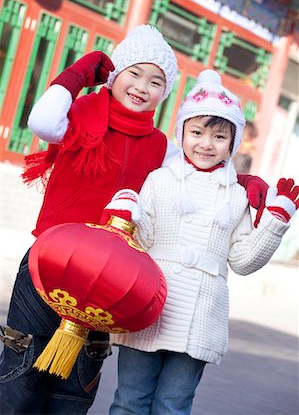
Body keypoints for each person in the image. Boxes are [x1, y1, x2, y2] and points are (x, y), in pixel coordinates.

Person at [0, 24, 267, 413]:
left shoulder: (160, 146)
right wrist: (76, 75)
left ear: (165, 93)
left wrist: (243, 180)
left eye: (156, 81)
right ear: (114, 74)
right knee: (23, 366)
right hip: (50, 262)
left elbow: (200, 168)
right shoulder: (79, 114)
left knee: (76, 383)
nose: (143, 86)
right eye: (135, 73)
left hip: (109, 276)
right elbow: (42, 123)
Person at [102, 70, 299, 415]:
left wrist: (274, 224)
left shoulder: (237, 196)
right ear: (182, 133)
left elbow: (242, 261)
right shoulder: (159, 180)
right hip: (149, 305)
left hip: (200, 315)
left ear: (233, 142)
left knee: (173, 405)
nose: (206, 144)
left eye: (219, 136)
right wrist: (129, 213)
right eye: (196, 133)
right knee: (129, 401)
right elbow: (142, 240)